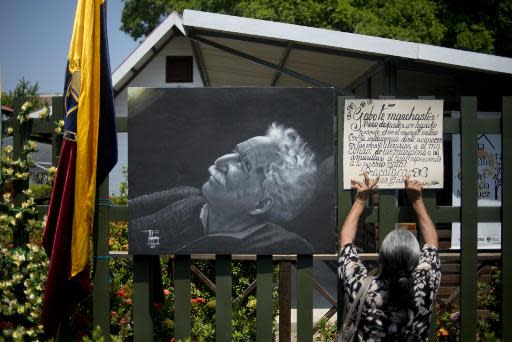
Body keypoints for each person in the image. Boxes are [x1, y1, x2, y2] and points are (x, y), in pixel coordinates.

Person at [129, 122, 317, 254]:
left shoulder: (280, 247)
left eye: (244, 165)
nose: (220, 161)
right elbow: (116, 218)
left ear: (261, 204)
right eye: (236, 152)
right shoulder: (186, 195)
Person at [338, 172, 441, 341]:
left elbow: (345, 242)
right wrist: (417, 200)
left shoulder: (362, 289)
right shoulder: (426, 286)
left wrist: (360, 200)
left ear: (382, 259)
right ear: (416, 261)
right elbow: (432, 243)